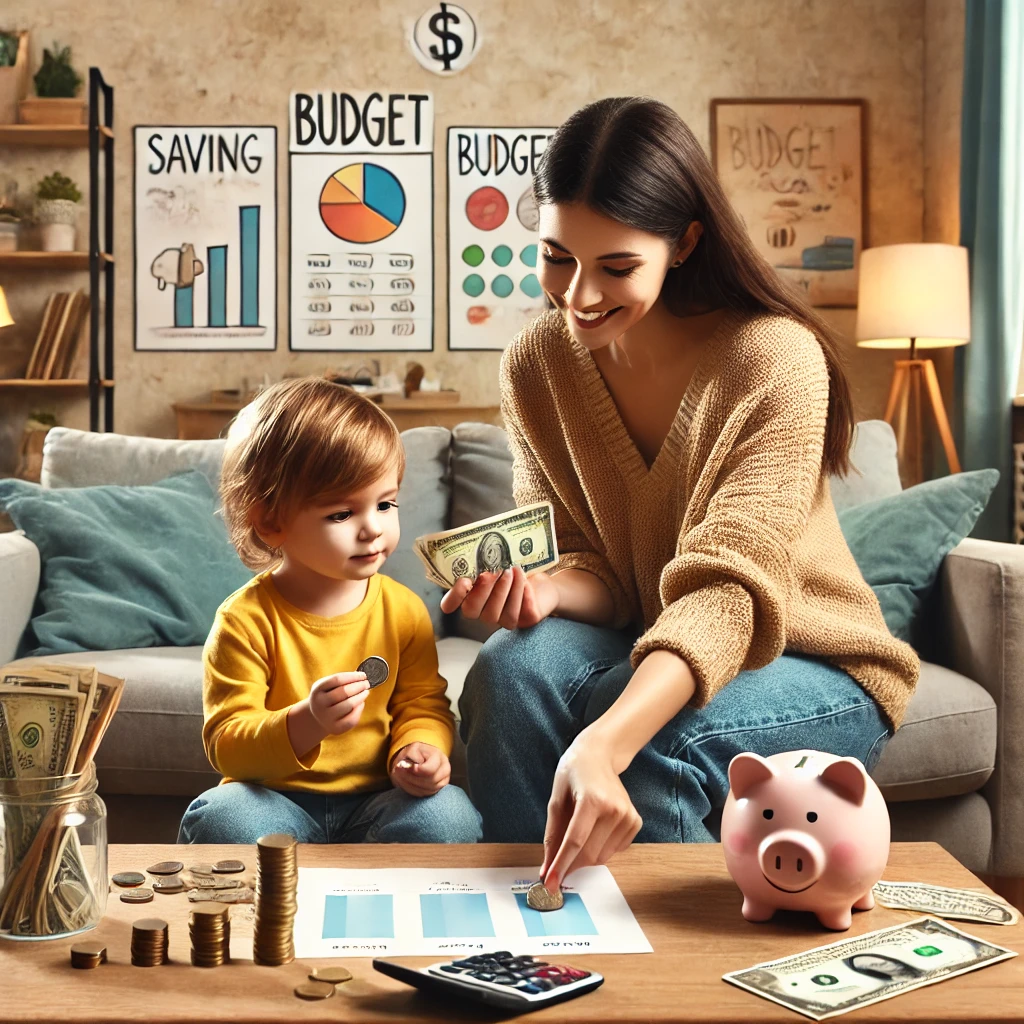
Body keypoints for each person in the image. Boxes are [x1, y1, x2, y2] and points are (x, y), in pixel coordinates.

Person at [444, 97, 918, 894]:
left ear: (684, 243)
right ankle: (537, 930)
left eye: (616, 267)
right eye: (557, 257)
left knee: (655, 737)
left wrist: (604, 741)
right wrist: (549, 589)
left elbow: (726, 593)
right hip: (648, 631)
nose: (579, 296)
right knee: (508, 669)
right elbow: (594, 562)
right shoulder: (536, 364)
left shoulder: (774, 359)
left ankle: (688, 991)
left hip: (811, 656)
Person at [178, 377, 482, 845]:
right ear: (271, 522)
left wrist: (420, 748)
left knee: (449, 815)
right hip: (273, 802)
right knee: (224, 817)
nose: (372, 529)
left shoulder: (402, 610)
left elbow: (422, 705)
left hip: (379, 801)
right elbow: (228, 747)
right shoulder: (244, 620)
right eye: (342, 514)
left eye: (385, 504)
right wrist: (307, 722)